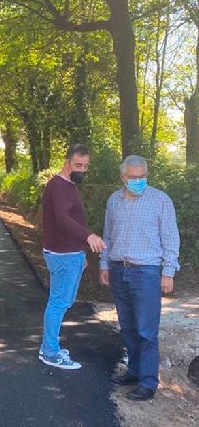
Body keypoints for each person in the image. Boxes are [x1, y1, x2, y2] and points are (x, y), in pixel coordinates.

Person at [99, 155, 180, 401]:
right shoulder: (114, 200)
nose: (138, 181)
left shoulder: (160, 200)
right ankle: (133, 371)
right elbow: (107, 236)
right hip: (119, 270)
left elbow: (171, 238)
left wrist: (168, 272)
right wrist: (104, 264)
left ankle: (148, 382)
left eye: (142, 177)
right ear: (123, 177)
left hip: (147, 273)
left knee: (146, 330)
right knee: (128, 327)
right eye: (133, 177)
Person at [39, 144, 106, 369]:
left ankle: (49, 347)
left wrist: (81, 251)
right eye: (78, 165)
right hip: (63, 255)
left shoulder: (68, 185)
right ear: (67, 162)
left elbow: (71, 220)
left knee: (61, 301)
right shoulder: (58, 186)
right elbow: (63, 220)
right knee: (59, 302)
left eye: (86, 166)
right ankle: (50, 352)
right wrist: (89, 237)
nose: (82, 170)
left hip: (71, 253)